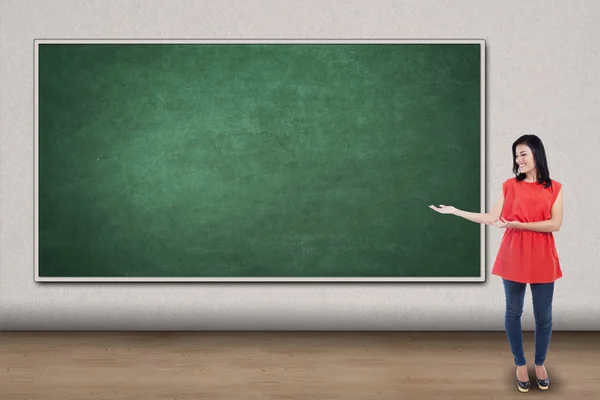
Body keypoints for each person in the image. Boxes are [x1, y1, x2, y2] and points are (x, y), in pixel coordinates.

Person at [429, 134, 563, 393]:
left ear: (537, 154)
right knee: (513, 311)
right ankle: (520, 364)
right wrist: (457, 211)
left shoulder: (555, 187)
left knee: (543, 315)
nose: (518, 159)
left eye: (523, 153)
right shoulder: (509, 186)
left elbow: (555, 224)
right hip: (513, 253)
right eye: (516, 155)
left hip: (542, 254)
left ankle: (540, 362)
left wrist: (518, 224)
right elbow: (492, 217)